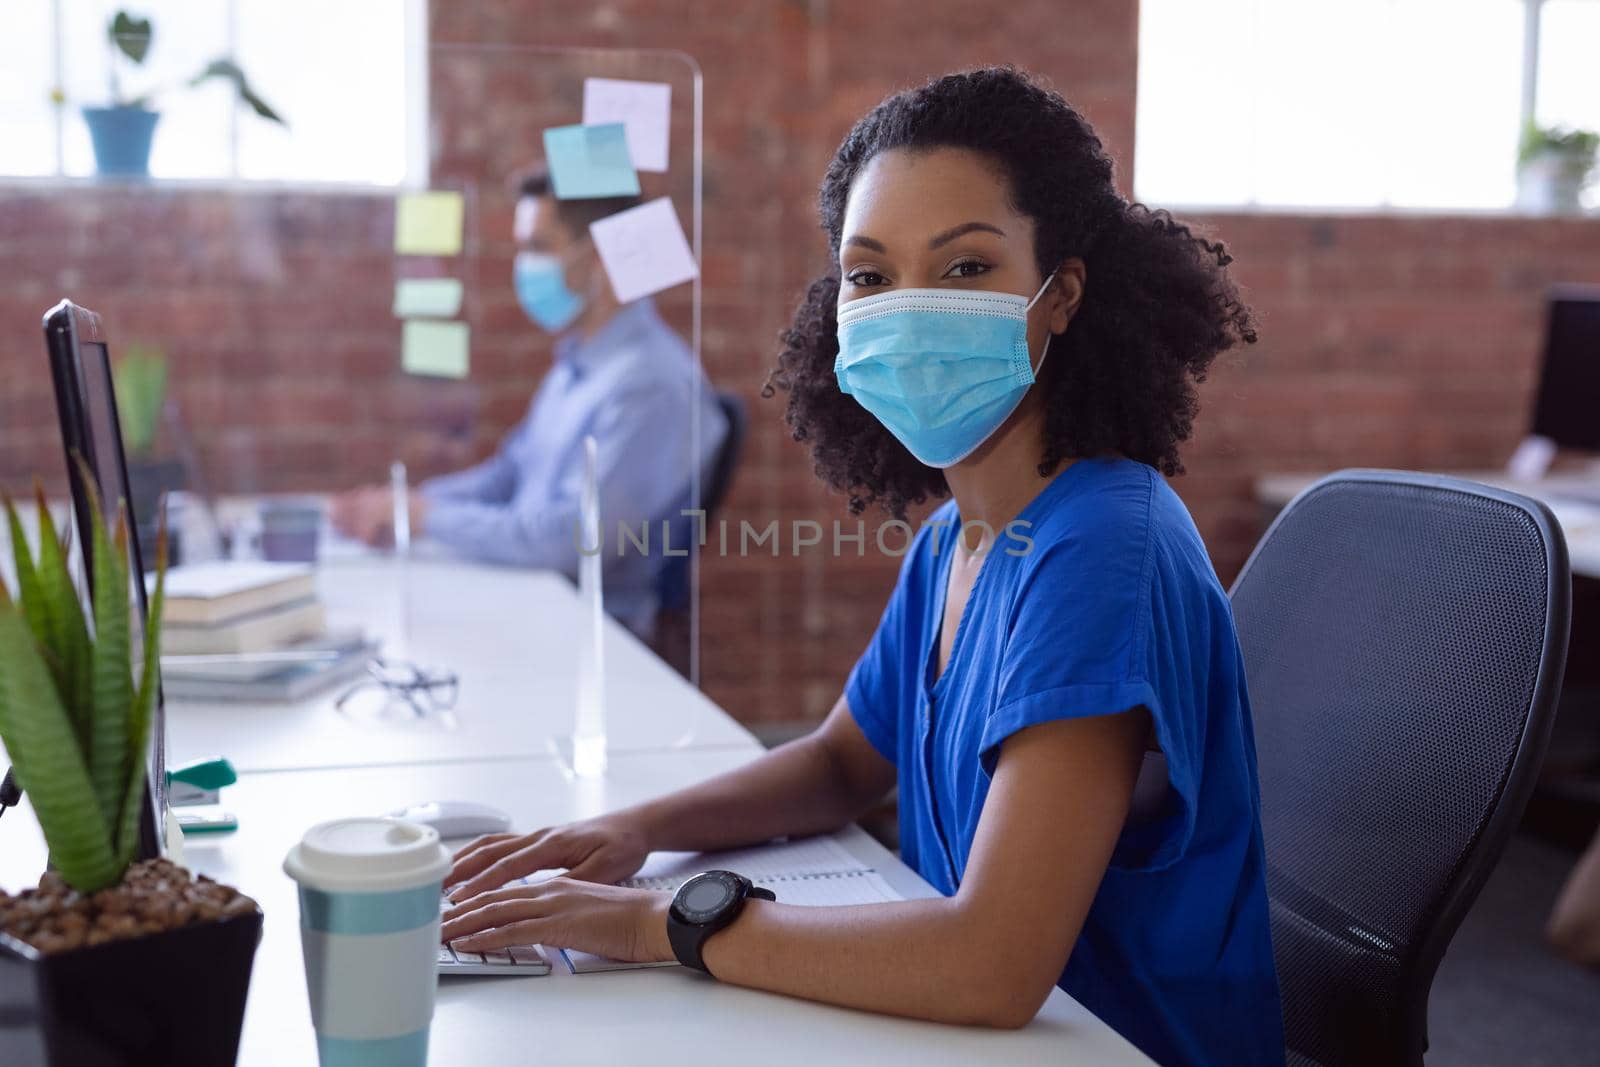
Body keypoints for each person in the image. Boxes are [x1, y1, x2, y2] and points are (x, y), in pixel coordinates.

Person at [438, 67, 1281, 1065]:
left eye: (964, 267)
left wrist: (650, 924)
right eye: (871, 277)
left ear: (1062, 292)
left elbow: (990, 964)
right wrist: (630, 832)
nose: (909, 307)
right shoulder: (954, 539)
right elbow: (843, 762)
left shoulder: (1102, 547)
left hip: (1111, 1044)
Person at [331, 170, 728, 640]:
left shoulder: (651, 384)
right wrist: (404, 505)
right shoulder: (577, 365)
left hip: (592, 635)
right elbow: (509, 475)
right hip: (534, 604)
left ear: (599, 258)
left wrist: (424, 517)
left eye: (539, 247)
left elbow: (570, 541)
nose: (524, 266)